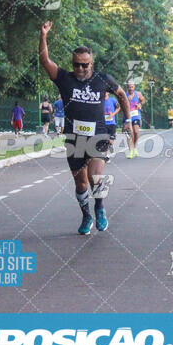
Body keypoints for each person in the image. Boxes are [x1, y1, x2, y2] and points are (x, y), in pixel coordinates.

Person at [39, 20, 132, 235]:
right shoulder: (64, 79)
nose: (80, 68)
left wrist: (127, 119)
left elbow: (121, 95)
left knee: (95, 178)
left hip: (98, 136)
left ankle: (99, 208)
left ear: (92, 63)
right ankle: (86, 215)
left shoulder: (102, 79)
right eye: (76, 64)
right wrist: (43, 36)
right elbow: (44, 61)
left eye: (85, 65)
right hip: (74, 139)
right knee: (81, 185)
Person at [125, 81, 145, 158]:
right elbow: (119, 104)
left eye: (132, 87)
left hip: (136, 115)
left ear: (134, 87)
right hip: (127, 116)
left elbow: (143, 100)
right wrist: (126, 100)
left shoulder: (138, 94)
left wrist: (140, 104)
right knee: (130, 133)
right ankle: (130, 151)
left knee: (136, 131)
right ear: (127, 87)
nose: (130, 88)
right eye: (129, 87)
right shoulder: (124, 94)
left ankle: (135, 148)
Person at [104, 91, 120, 158]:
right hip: (103, 123)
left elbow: (118, 107)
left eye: (106, 91)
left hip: (111, 123)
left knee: (110, 141)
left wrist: (113, 114)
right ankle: (106, 156)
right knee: (104, 140)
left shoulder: (112, 100)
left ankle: (110, 145)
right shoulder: (100, 100)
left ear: (108, 93)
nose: (104, 92)